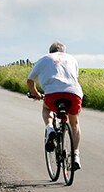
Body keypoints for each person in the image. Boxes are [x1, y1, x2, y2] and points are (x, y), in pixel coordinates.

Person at [27, 41, 85, 170]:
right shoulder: (72, 59)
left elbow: (30, 80)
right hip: (73, 93)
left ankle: (50, 129)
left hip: (53, 94)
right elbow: (74, 77)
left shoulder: (44, 59)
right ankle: (76, 156)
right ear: (63, 51)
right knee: (74, 123)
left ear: (50, 52)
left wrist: (36, 94)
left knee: (47, 109)